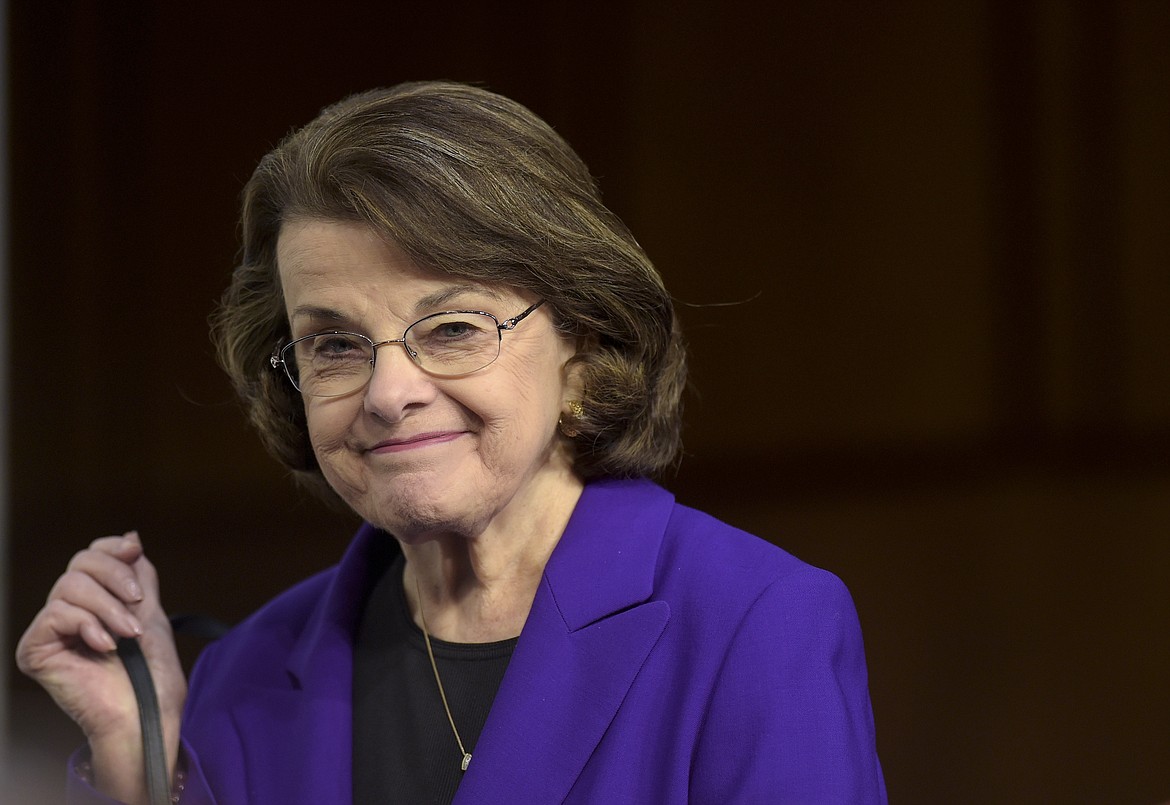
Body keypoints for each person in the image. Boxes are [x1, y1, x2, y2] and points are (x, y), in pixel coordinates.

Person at [16, 81, 887, 804]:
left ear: (581, 348)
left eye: (455, 328)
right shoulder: (243, 677)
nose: (391, 393)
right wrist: (140, 765)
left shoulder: (755, 623)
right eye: (334, 344)